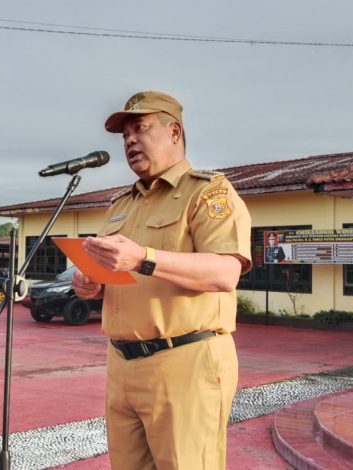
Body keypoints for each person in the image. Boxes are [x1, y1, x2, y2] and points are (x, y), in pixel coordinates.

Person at [72, 91, 252, 469]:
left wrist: (144, 258)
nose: (130, 141)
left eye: (140, 128)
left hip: (184, 360)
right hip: (121, 362)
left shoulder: (208, 191)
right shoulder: (122, 205)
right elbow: (117, 273)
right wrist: (92, 284)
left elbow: (225, 272)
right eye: (124, 136)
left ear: (174, 131)